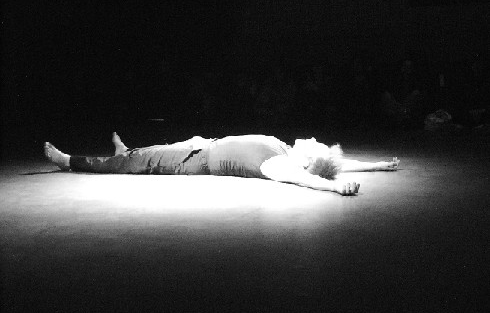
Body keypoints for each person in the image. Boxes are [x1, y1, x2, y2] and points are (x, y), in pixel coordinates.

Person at [44, 133, 400, 196]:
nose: (312, 138)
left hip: (196, 160)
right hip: (203, 144)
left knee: (140, 163)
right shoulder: (285, 148)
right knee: (147, 152)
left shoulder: (279, 165)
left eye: (316, 145)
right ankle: (126, 151)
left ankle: (70, 161)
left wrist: (335, 186)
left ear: (310, 160)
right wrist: (378, 165)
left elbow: (308, 181)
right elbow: (341, 162)